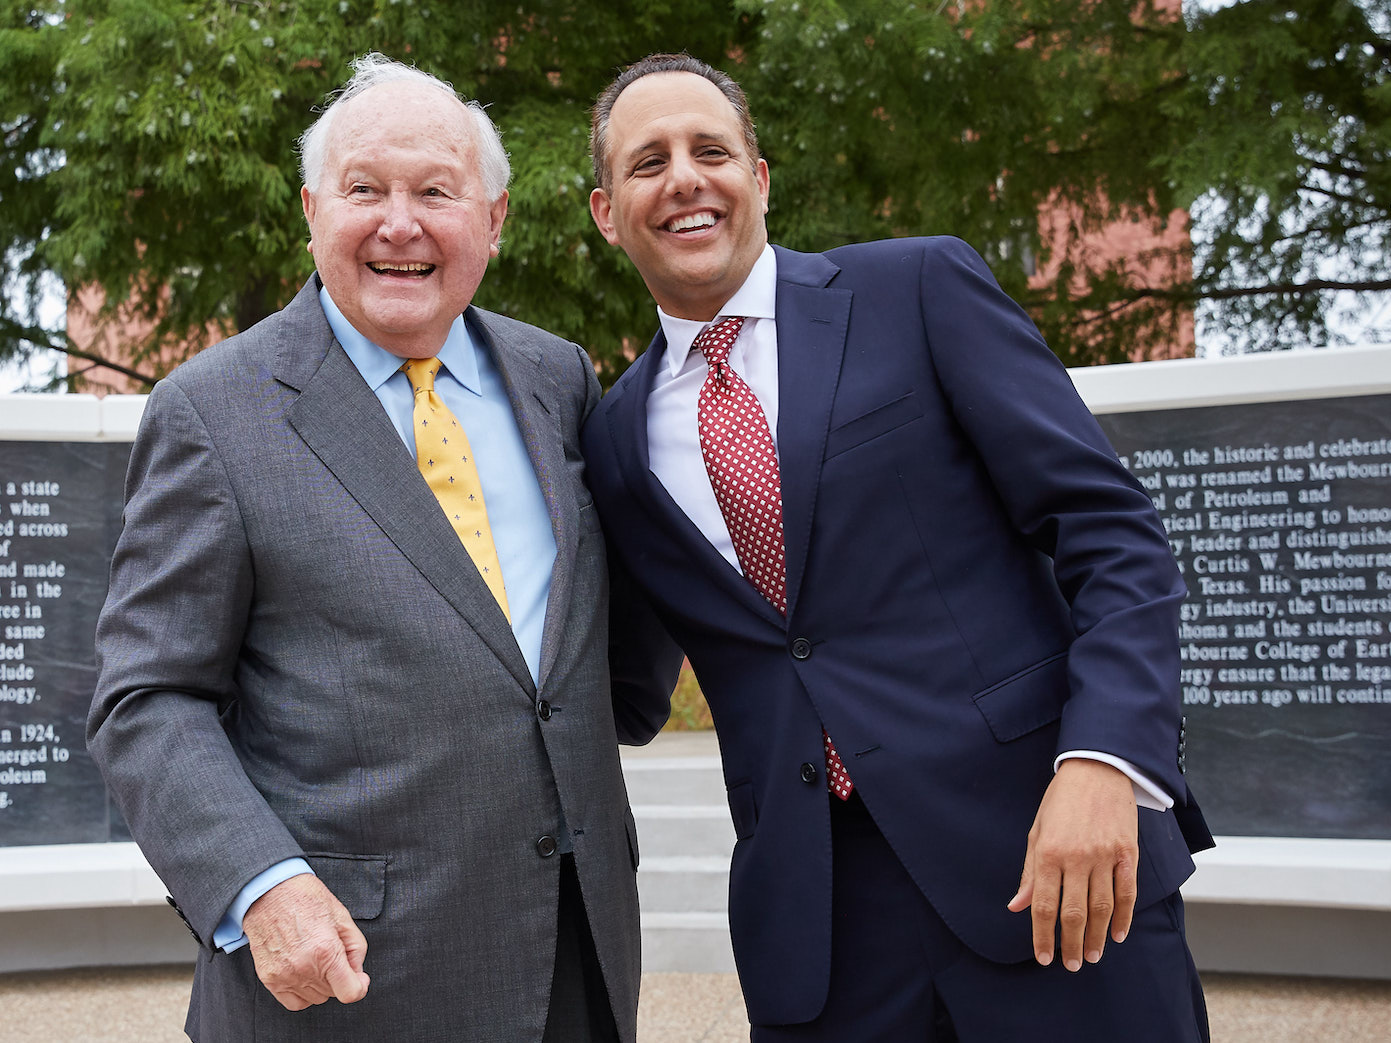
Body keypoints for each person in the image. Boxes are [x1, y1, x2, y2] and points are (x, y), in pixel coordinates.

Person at [582, 53, 1214, 1041]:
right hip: (821, 936)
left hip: (1046, 859)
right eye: (647, 161)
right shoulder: (614, 440)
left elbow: (1109, 527)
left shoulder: (917, 289)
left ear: (760, 176)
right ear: (606, 211)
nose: (685, 178)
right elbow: (612, 687)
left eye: (712, 149)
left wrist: (1106, 763)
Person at [88, 53, 665, 1043]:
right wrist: (261, 887)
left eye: (436, 191)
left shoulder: (558, 377)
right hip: (348, 979)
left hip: (578, 955)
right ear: (313, 211)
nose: (400, 224)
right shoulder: (213, 412)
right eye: (364, 190)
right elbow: (148, 699)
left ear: (494, 218)